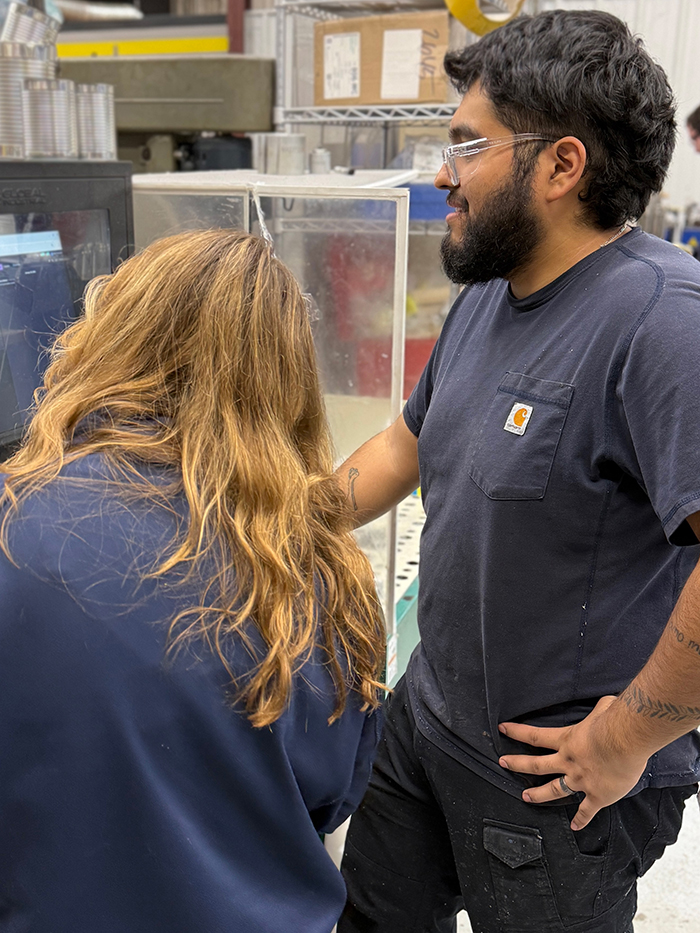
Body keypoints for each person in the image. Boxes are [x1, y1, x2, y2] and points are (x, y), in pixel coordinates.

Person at [337, 10, 700, 933]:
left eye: (467, 146)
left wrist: (627, 735)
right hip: (429, 715)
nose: (442, 175)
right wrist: (266, 517)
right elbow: (404, 444)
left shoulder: (662, 321)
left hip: (553, 781)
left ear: (561, 165)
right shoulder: (490, 294)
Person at [0, 229, 385, 933]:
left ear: (114, 336)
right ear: (289, 384)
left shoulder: (14, 522)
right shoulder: (321, 574)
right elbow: (328, 797)